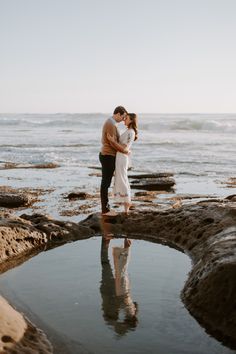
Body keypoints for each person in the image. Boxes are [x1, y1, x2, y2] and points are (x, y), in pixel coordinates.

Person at [99, 106, 128, 216]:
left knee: (106, 182)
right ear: (118, 114)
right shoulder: (111, 124)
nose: (123, 119)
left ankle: (106, 208)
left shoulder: (111, 122)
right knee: (105, 183)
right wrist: (124, 150)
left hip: (108, 155)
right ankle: (105, 210)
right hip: (107, 156)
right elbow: (112, 143)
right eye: (123, 116)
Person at [107, 113, 138, 214]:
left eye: (126, 118)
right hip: (119, 157)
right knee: (120, 179)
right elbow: (123, 147)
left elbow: (124, 148)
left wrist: (112, 141)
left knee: (122, 179)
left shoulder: (131, 132)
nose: (124, 119)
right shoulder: (128, 131)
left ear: (132, 120)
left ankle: (127, 203)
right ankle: (125, 204)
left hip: (122, 158)